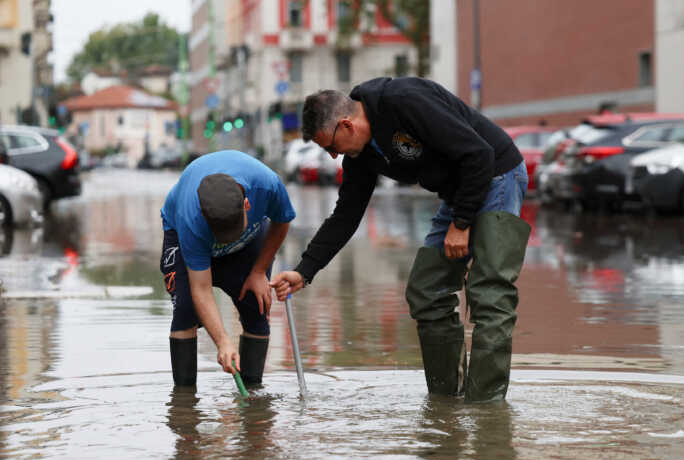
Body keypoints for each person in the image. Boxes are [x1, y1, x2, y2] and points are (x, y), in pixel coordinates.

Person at [270, 77, 531, 402]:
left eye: (331, 147)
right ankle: (446, 402)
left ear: (347, 125)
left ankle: (485, 408)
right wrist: (303, 271)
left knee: (490, 292)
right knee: (426, 290)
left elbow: (479, 153)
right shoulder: (360, 156)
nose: (335, 157)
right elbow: (346, 215)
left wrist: (461, 224)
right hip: (458, 192)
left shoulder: (405, 101)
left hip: (496, 174)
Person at [161, 150, 296, 387]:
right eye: (222, 236)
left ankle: (254, 398)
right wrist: (223, 341)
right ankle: (184, 407)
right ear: (203, 214)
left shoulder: (267, 185)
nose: (226, 242)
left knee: (257, 304)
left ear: (247, 205)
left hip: (249, 242)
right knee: (185, 310)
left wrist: (258, 272)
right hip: (189, 239)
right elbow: (201, 288)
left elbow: (282, 221)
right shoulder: (190, 218)